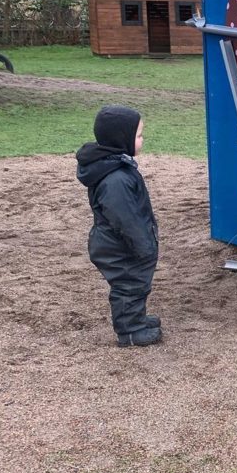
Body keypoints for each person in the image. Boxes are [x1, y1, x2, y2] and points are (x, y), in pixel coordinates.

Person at [76, 105, 162, 347]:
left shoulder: (116, 165)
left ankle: (137, 319)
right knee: (129, 285)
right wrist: (142, 244)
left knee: (138, 283)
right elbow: (124, 218)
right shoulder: (115, 179)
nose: (142, 139)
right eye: (139, 135)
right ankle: (131, 332)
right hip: (120, 246)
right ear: (121, 139)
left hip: (123, 242)